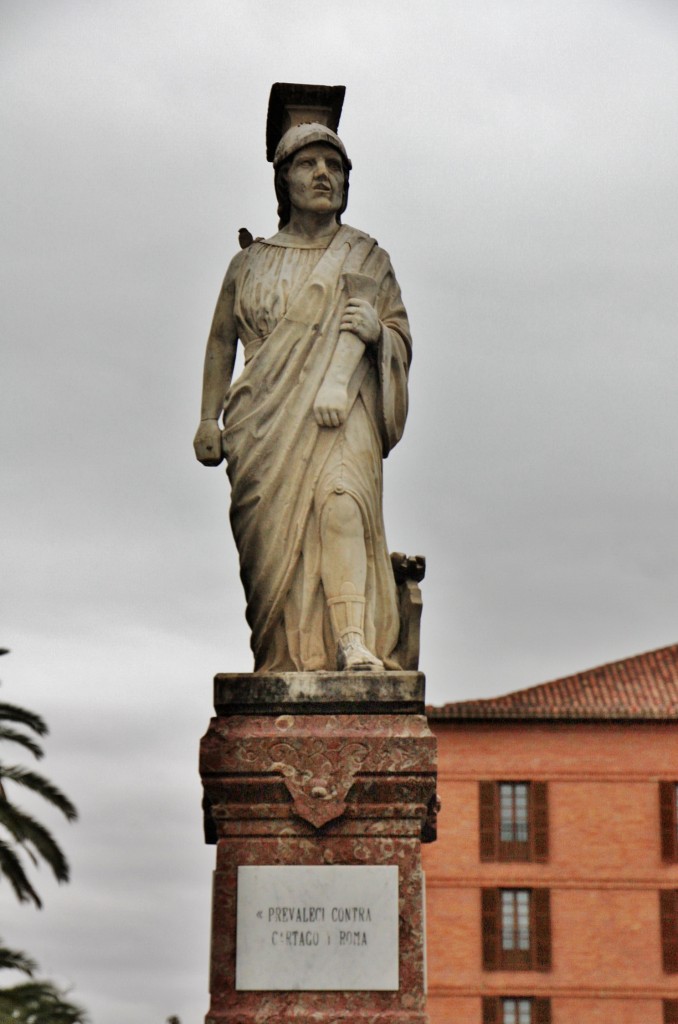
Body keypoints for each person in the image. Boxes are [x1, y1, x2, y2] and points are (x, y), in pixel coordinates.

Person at [193, 121, 412, 673]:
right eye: (308, 164)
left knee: (342, 505)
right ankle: (282, 655)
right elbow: (222, 340)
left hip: (344, 412)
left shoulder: (367, 257)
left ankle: (352, 640)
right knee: (272, 561)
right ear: (283, 180)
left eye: (334, 166)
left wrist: (376, 333)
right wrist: (207, 418)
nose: (323, 175)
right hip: (263, 426)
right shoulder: (248, 263)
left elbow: (399, 336)